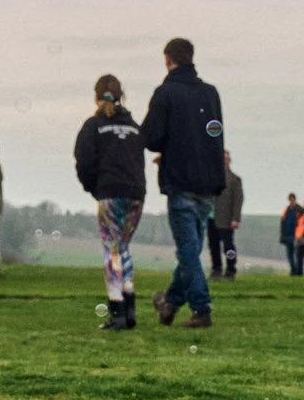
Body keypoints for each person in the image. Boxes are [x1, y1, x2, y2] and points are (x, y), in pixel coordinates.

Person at [142, 37, 226, 330]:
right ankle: (170, 302)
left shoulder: (165, 93)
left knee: (188, 251)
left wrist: (169, 149)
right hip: (207, 181)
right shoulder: (210, 94)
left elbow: (151, 138)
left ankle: (201, 308)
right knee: (192, 249)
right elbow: (213, 135)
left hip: (180, 180)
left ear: (168, 59)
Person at [73, 73, 147, 329]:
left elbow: (84, 161)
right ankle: (130, 303)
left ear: (96, 96)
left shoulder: (93, 126)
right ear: (120, 96)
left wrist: (93, 187)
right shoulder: (135, 127)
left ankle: (117, 308)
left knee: (112, 249)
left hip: (109, 192)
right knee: (123, 247)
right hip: (136, 194)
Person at [209, 151, 244, 280]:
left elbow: (238, 200)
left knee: (228, 246)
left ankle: (230, 269)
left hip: (226, 218)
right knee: (213, 246)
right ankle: (216, 269)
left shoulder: (234, 179)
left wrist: (235, 218)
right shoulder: (210, 177)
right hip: (211, 217)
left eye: (226, 159)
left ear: (229, 161)